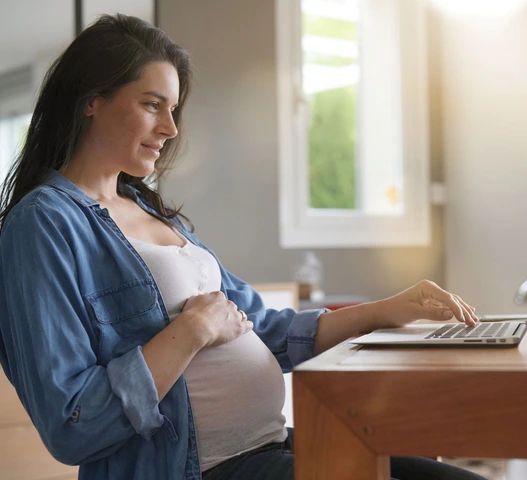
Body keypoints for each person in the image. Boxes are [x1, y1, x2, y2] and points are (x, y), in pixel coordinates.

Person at [0, 14, 486, 480]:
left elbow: (266, 329)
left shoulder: (148, 209)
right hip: (200, 468)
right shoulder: (42, 224)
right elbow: (71, 424)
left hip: (273, 442)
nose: (170, 129)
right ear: (92, 99)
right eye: (152, 105)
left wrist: (388, 309)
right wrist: (190, 330)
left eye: (173, 110)